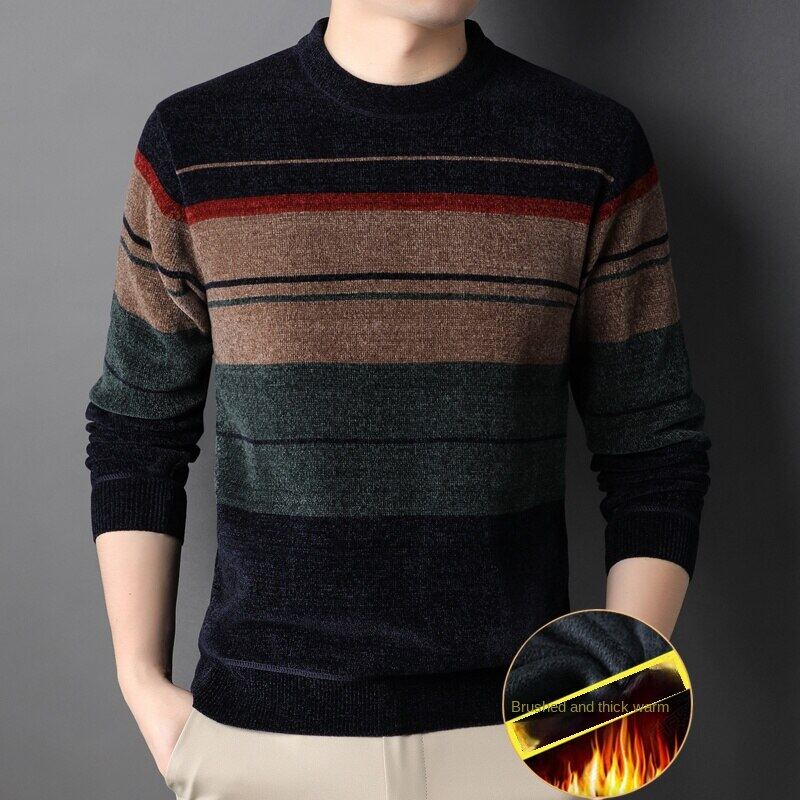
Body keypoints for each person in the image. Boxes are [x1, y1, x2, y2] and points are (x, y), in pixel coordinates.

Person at [85, 1, 711, 797]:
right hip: (260, 744)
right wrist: (142, 686)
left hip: (522, 747)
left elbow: (653, 443)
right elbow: (136, 428)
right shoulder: (196, 144)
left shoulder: (590, 146)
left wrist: (619, 703)